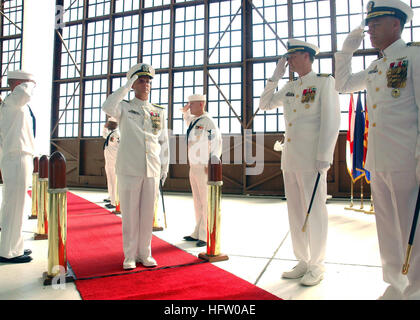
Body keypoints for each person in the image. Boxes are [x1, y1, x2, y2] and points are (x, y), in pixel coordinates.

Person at [334, 0, 420, 300]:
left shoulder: (414, 57)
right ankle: (396, 284)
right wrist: (346, 50)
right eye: (369, 24)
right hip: (379, 159)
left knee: (413, 228)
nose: (369, 29)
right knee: (387, 227)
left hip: (407, 159)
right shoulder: (376, 66)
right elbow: (342, 85)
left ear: (396, 24)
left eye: (376, 23)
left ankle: (416, 289)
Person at [259, 39, 341, 286]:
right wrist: (275, 76)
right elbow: (265, 104)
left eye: (293, 56)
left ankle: (317, 265)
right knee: (295, 213)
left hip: (312, 160)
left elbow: (331, 121)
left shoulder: (324, 82)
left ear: (306, 56)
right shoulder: (290, 87)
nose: (289, 61)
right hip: (291, 159)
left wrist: (324, 158)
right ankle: (303, 260)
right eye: (288, 57)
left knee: (315, 212)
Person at [102, 63, 169, 270]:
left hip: (152, 168)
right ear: (133, 84)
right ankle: (130, 255)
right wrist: (125, 86)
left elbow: (163, 141)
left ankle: (145, 253)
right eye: (141, 80)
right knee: (130, 214)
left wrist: (164, 168)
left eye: (148, 81)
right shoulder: (123, 107)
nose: (146, 84)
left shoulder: (158, 111)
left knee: (147, 213)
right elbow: (107, 106)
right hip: (129, 168)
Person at [0, 70, 36, 263]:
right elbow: (26, 91)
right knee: (14, 205)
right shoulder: (14, 101)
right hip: (16, 157)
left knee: (19, 205)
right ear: (19, 84)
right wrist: (31, 81)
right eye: (29, 83)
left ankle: (15, 246)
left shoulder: (14, 104)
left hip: (20, 156)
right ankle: (8, 251)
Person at [181, 94, 222, 247]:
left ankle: (206, 235)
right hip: (194, 166)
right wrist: (185, 112)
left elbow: (217, 142)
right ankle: (197, 231)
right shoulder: (195, 121)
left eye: (191, 104)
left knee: (206, 201)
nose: (189, 107)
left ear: (201, 104)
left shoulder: (208, 122)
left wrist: (212, 162)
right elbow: (187, 121)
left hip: (205, 166)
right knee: (197, 201)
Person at [102, 117, 120, 209]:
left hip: (114, 162)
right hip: (109, 161)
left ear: (114, 125)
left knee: (114, 182)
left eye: (109, 124)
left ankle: (114, 202)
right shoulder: (111, 134)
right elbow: (104, 135)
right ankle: (111, 197)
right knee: (110, 180)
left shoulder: (117, 134)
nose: (108, 125)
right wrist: (104, 127)